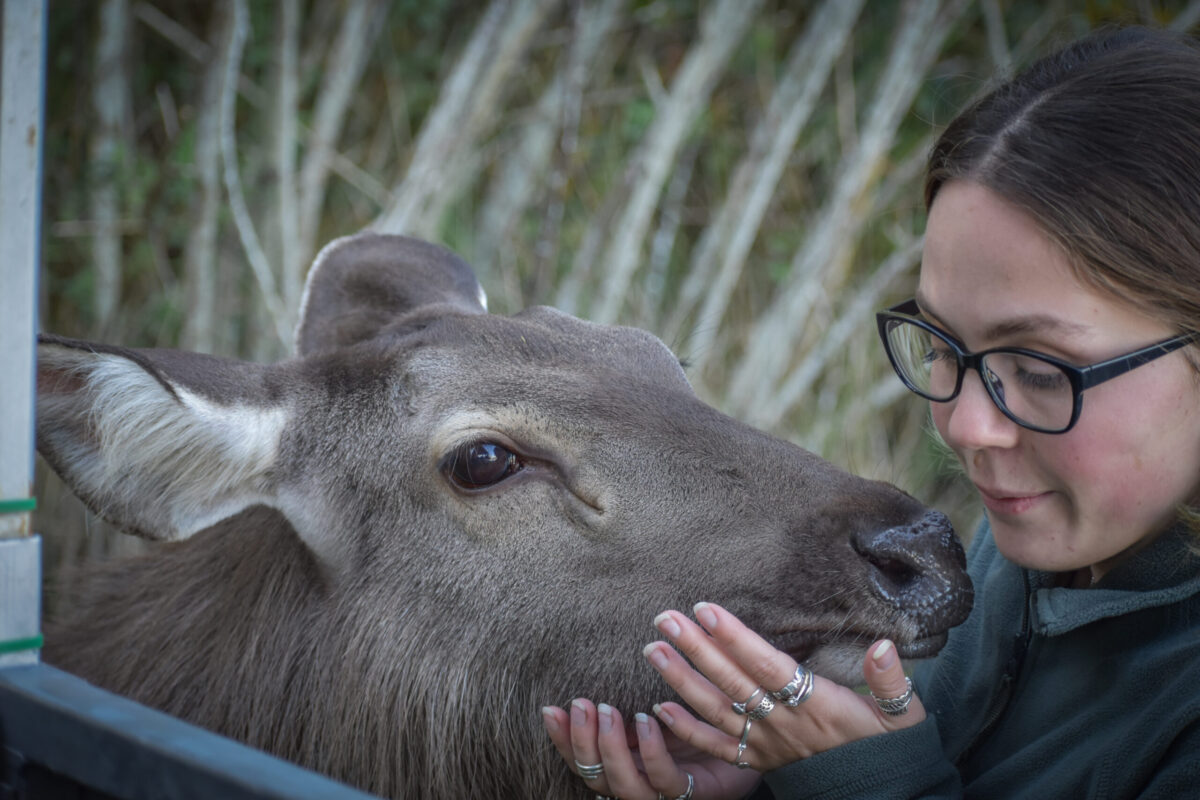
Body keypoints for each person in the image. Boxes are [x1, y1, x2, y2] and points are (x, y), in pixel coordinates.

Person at [542, 24, 1200, 800]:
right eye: (945, 348)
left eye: (1038, 370)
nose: (966, 427)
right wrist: (778, 779)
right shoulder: (1032, 545)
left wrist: (870, 783)